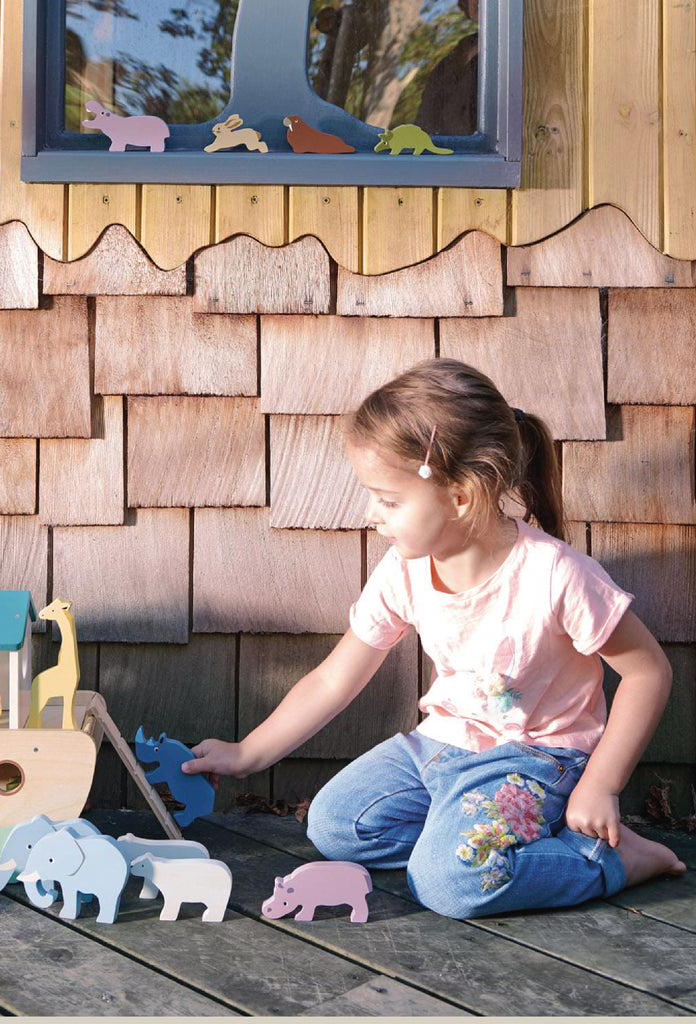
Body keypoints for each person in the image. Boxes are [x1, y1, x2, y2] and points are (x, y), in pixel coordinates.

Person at [182, 358, 685, 918]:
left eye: (390, 500)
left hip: (537, 758)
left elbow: (648, 671)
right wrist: (249, 752)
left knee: (449, 885)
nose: (373, 515)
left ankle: (608, 860)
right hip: (441, 745)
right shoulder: (405, 570)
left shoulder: (556, 576)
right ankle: (468, 839)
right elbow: (334, 676)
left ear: (460, 496)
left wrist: (601, 786)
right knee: (335, 824)